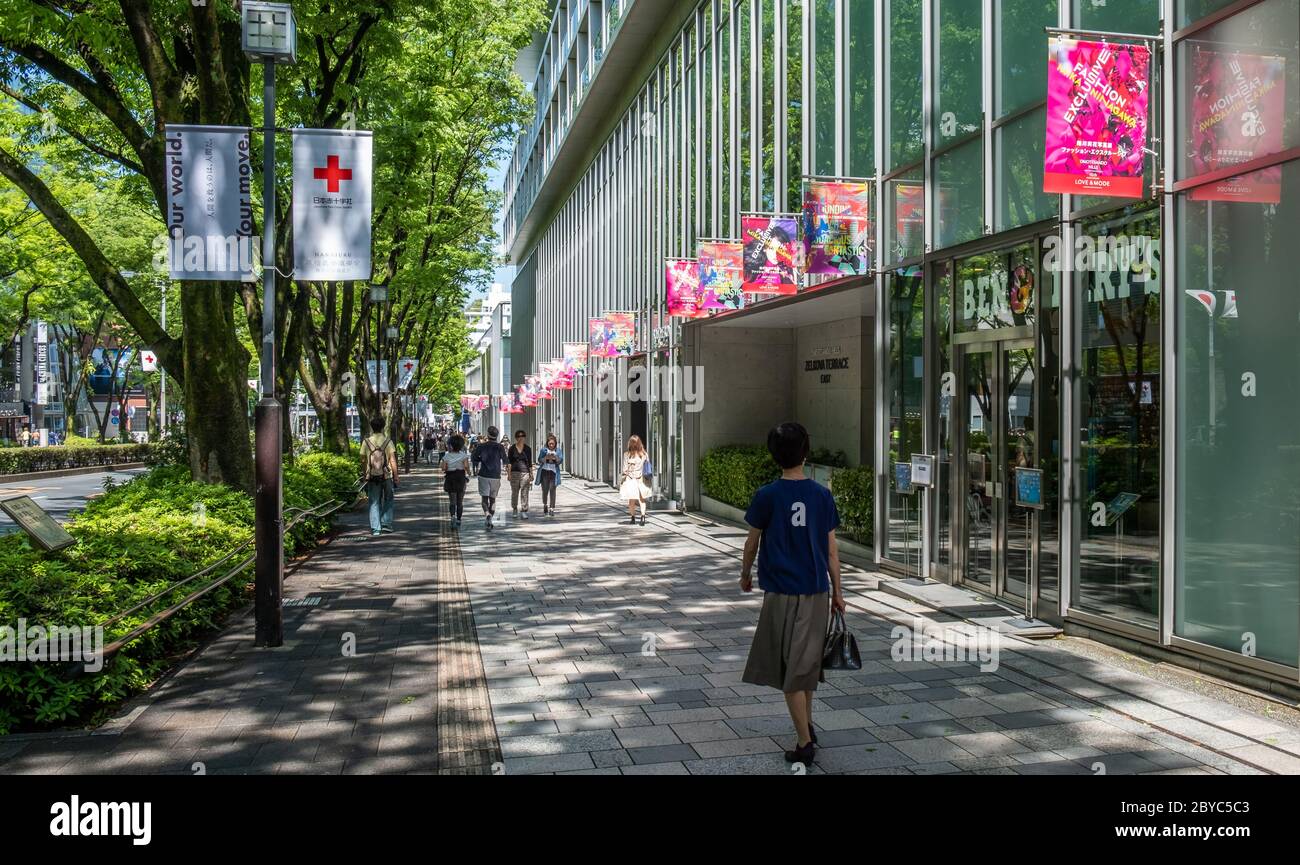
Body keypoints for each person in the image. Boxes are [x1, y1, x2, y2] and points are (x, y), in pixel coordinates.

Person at [739, 422, 846, 766]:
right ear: (806, 452)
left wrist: (745, 575)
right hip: (816, 591)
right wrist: (838, 594)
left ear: (774, 456)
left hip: (782, 592)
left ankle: (804, 742)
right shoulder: (821, 495)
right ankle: (808, 728)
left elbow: (752, 541)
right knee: (806, 668)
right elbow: (832, 551)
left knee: (790, 672)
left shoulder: (767, 496)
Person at [360, 417, 399, 536]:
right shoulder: (388, 441)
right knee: (388, 499)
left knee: (374, 502)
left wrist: (365, 472)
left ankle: (376, 528)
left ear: (372, 427)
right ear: (382, 427)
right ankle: (386, 524)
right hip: (386, 475)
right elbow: (392, 460)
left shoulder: (366, 442)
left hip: (372, 475)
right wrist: (396, 476)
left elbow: (362, 460)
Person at [471, 425, 507, 530]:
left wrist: (480, 460)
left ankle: (487, 514)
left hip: (484, 475)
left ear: (487, 434)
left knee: (484, 499)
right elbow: (505, 460)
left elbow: (473, 457)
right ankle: (490, 517)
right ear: (497, 436)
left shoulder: (481, 446)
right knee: (493, 500)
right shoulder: (500, 447)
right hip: (495, 476)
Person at [619, 435, 651, 526]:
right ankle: (643, 517)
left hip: (631, 479)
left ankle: (633, 518)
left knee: (631, 500)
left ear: (630, 444)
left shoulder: (627, 455)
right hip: (641, 479)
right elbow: (647, 466)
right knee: (642, 500)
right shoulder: (644, 454)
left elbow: (625, 470)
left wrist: (622, 480)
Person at [442, 433, 470, 526]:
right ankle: (459, 519)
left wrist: (449, 467)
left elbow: (444, 468)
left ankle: (452, 516)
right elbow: (466, 467)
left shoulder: (446, 456)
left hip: (450, 478)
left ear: (451, 445)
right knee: (460, 501)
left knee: (452, 500)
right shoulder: (464, 456)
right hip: (461, 478)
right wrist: (469, 473)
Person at [507, 429, 534, 519]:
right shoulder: (511, 448)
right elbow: (509, 462)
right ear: (516, 438)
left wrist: (531, 474)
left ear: (525, 437)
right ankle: (515, 508)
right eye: (519, 436)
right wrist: (509, 474)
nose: (521, 438)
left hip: (525, 472)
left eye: (522, 436)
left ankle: (524, 510)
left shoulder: (528, 449)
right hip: (514, 472)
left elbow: (529, 462)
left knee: (525, 492)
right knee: (515, 492)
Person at [534, 434, 564, 516]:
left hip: (554, 473)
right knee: (545, 490)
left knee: (552, 489)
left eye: (552, 444)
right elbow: (539, 459)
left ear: (555, 444)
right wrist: (545, 458)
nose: (551, 445)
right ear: (547, 443)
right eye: (550, 444)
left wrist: (555, 457)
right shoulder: (544, 450)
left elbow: (560, 460)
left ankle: (552, 508)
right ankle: (545, 504)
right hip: (545, 471)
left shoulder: (558, 451)